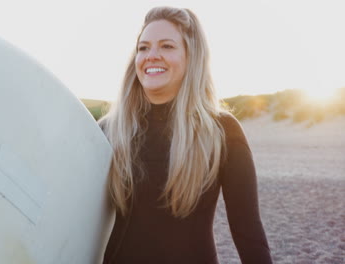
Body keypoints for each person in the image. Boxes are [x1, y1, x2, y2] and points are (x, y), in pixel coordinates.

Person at [98, 6, 272, 264]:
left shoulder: (221, 132)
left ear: (191, 57)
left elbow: (248, 233)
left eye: (167, 46)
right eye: (143, 48)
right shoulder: (108, 132)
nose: (151, 56)